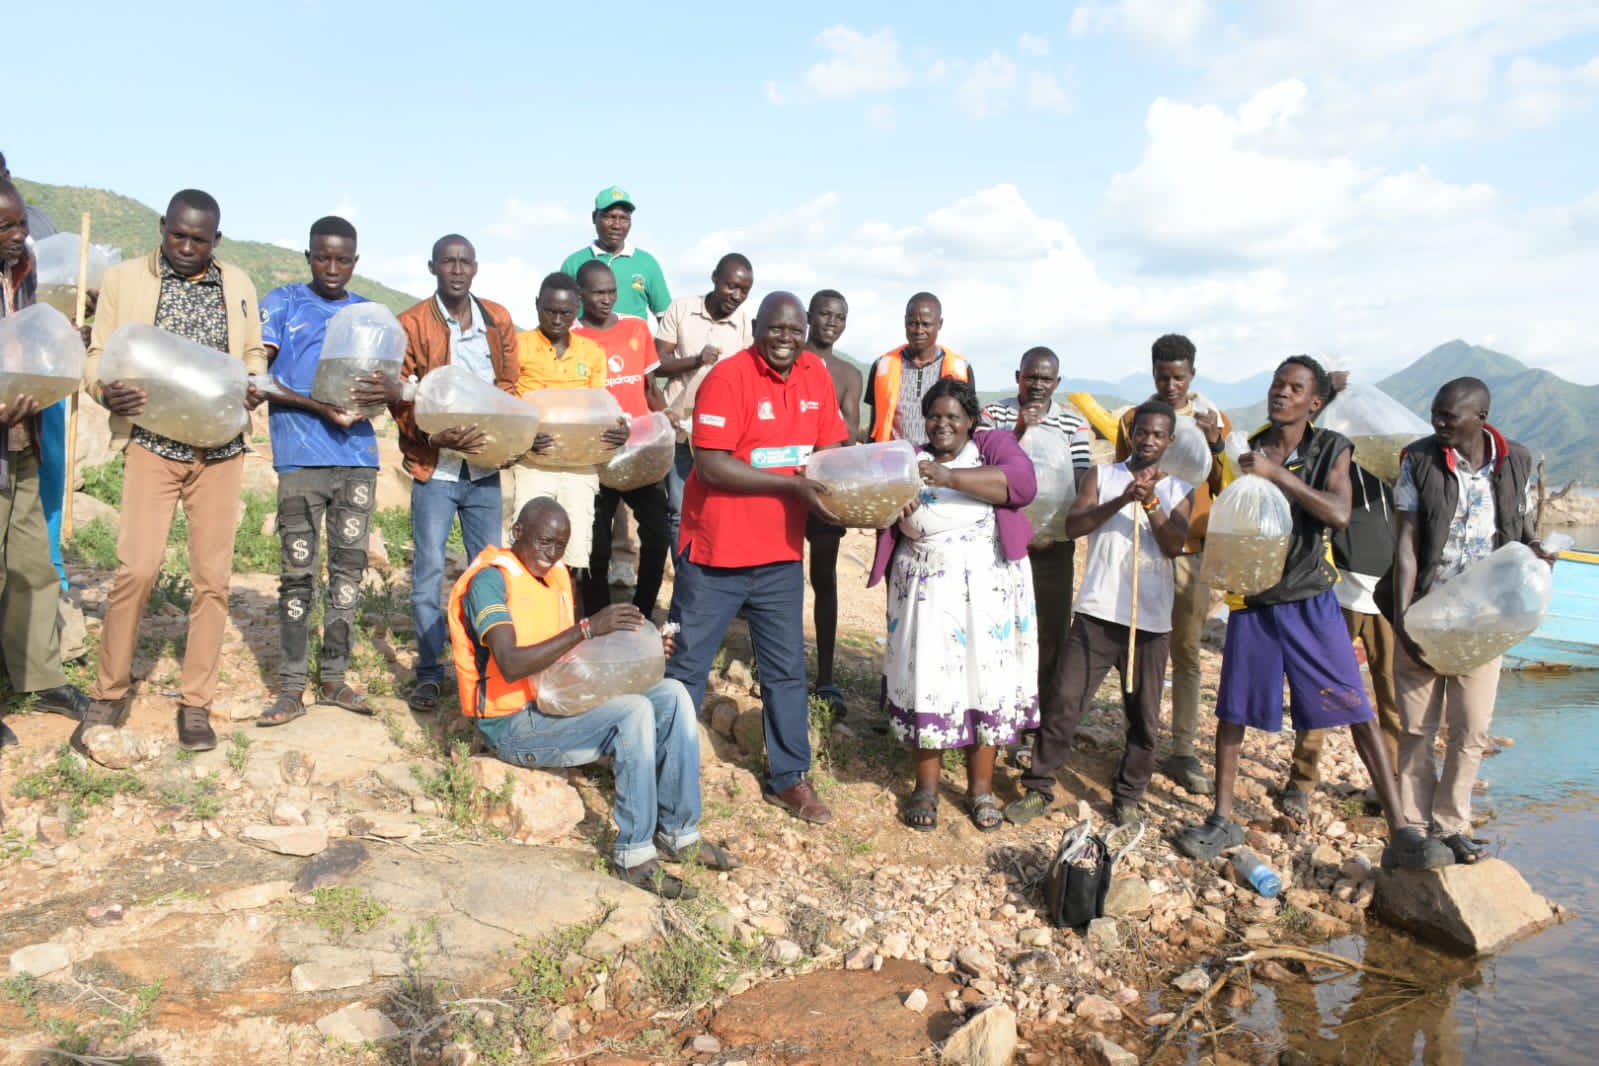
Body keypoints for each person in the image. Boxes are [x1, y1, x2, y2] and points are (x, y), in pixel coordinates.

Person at [1173, 357, 1443, 870]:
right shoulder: (1249, 445)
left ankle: (1401, 829)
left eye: (1295, 388)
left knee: (1356, 709)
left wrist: (1278, 476)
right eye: (1277, 384)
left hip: (1310, 600)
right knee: (1232, 711)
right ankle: (1224, 818)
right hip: (1254, 601)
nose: (1281, 393)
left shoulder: (1331, 449)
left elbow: (1339, 514)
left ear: (1315, 403)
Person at [448, 498, 738, 898]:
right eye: (544, 542)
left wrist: (645, 647)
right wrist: (587, 629)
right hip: (514, 724)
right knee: (632, 712)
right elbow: (512, 664)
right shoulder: (489, 581)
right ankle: (634, 857)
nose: (551, 555)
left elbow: (572, 659)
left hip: (556, 702)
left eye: (560, 546)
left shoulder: (555, 578)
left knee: (671, 695)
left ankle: (678, 833)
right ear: (518, 533)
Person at [74, 189, 267, 756]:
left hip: (219, 452)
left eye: (198, 239)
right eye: (177, 235)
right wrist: (103, 389)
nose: (186, 247)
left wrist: (252, 385)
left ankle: (196, 704)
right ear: (163, 227)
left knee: (212, 580)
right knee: (137, 569)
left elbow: (253, 353)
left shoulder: (237, 285)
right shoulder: (124, 279)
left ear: (216, 241)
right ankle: (109, 693)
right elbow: (97, 354)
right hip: (153, 446)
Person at [664, 292, 848, 825]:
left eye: (794, 329)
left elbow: (831, 452)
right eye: (775, 329)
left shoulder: (815, 375)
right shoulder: (728, 378)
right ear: (756, 329)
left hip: (779, 558)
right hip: (716, 554)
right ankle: (663, 764)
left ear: (805, 329)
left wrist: (861, 494)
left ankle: (789, 778)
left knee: (786, 670)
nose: (785, 338)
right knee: (689, 666)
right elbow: (713, 465)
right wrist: (793, 489)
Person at [1005, 402, 1193, 828]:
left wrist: (1150, 505)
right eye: (1141, 432)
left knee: (1144, 716)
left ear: (1169, 441)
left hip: (1150, 624)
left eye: (1157, 435)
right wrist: (1122, 499)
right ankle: (1038, 786)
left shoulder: (1180, 490)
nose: (1147, 440)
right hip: (1097, 614)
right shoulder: (1102, 476)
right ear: (1131, 435)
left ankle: (1129, 794)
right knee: (1065, 703)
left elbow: (1174, 544)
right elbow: (1075, 525)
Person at [1390, 377, 1549, 865]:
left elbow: (1519, 529)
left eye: (1448, 416)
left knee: (1471, 729)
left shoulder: (1515, 460)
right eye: (1435, 413)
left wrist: (1537, 554)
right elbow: (1407, 547)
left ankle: (1452, 825)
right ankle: (1415, 828)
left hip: (1485, 620)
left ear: (1480, 417)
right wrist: (1404, 622)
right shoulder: (1417, 460)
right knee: (1417, 727)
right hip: (1427, 612)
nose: (1437, 422)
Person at [870, 379, 1039, 832]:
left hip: (985, 591)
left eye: (953, 417)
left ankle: (980, 788)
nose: (943, 424)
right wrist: (892, 508)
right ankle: (925, 787)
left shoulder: (990, 449)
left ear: (971, 421)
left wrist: (947, 478)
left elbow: (1021, 486)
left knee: (981, 681)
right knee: (930, 682)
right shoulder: (908, 459)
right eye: (935, 416)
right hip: (924, 592)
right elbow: (876, 509)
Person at [383, 235, 521, 715]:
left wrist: (498, 438)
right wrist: (433, 437)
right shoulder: (412, 323)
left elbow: (508, 387)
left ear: (476, 267)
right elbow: (399, 397)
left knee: (487, 572)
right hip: (435, 469)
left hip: (483, 469)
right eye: (448, 262)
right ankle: (428, 673)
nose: (457, 270)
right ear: (433, 267)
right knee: (428, 573)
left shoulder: (497, 319)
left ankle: (486, 668)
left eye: (464, 262)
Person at [250, 216, 379, 726]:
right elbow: (259, 378)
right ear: (308, 255)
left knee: (349, 573)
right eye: (322, 257)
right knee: (297, 576)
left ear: (355, 261)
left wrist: (381, 396)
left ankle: (334, 679)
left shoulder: (368, 316)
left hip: (358, 460)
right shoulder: (282, 304)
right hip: (300, 458)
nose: (332, 267)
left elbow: (383, 387)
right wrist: (322, 408)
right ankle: (289, 687)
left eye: (342, 259)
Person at [1115, 334, 1231, 796]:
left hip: (1190, 551)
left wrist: (1215, 443)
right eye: (1163, 376)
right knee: (1135, 648)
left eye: (1179, 377)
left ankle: (1183, 750)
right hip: (1141, 544)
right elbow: (1123, 472)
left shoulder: (1211, 418)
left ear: (1192, 376)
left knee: (1185, 654)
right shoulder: (1134, 419)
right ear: (1153, 374)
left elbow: (1225, 484)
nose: (1170, 385)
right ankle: (1136, 741)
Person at [0, 178, 90, 749]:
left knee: (33, 565)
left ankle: (40, 677)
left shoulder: (24, 273)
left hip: (22, 438)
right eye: (6, 227)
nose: (19, 234)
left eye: (20, 223)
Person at [981, 347, 1092, 768]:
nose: (1038, 385)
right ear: (1018, 376)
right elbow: (985, 464)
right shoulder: (994, 415)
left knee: (1049, 635)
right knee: (1001, 631)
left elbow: (1080, 478)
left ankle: (1036, 725)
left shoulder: (1073, 422)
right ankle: (999, 716)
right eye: (1032, 377)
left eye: (1047, 379)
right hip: (1004, 545)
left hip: (1054, 550)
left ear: (1057, 383)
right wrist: (1019, 430)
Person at [1283, 456, 1401, 819]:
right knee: (1319, 689)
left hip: (1390, 596)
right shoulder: (1330, 463)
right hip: (1338, 593)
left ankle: (1390, 783)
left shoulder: (1399, 467)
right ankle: (1302, 781)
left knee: (1393, 694)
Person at [509, 272, 627, 584]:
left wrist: (618, 431)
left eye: (566, 312)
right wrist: (525, 438)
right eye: (550, 310)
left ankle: (565, 623)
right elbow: (505, 406)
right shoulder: (518, 347)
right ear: (537, 305)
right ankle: (525, 620)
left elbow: (600, 408)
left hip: (579, 467)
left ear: (577, 309)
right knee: (527, 548)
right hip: (534, 464)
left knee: (574, 551)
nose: (558, 319)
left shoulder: (591, 353)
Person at [572, 260, 669, 619]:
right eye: (598, 292)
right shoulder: (573, 336)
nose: (607, 299)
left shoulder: (636, 328)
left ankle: (642, 612)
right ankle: (599, 616)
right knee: (596, 544)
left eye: (611, 291)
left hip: (640, 452)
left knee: (658, 533)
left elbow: (650, 387)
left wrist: (663, 421)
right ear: (581, 294)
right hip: (598, 455)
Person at [654, 254, 754, 548]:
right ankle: (684, 578)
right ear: (714, 278)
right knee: (679, 510)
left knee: (716, 510)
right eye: (730, 286)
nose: (736, 296)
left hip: (721, 435)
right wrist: (696, 360)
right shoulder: (682, 310)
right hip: (678, 427)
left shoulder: (746, 326)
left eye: (744, 291)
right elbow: (657, 363)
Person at [802, 289, 861, 713]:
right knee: (777, 579)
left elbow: (849, 434)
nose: (831, 322)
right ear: (810, 315)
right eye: (824, 314)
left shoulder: (848, 374)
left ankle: (825, 676)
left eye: (839, 317)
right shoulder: (791, 356)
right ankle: (779, 666)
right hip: (784, 484)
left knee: (824, 577)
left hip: (825, 486)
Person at [865, 293, 974, 446]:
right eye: (912, 323)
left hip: (943, 463)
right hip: (893, 462)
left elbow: (970, 424)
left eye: (926, 324)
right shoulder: (881, 366)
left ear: (940, 324)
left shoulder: (962, 368)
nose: (918, 330)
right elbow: (874, 425)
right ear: (904, 321)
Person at [559, 186, 670, 322]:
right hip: (585, 342)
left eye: (623, 218)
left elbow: (665, 317)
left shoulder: (647, 263)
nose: (617, 225)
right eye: (609, 217)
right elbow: (559, 312)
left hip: (633, 342)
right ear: (594, 217)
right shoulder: (574, 263)